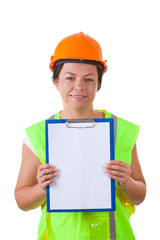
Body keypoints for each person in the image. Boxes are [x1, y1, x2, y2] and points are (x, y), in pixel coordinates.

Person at [15, 32, 146, 240]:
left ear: (98, 83)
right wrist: (42, 188)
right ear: (56, 81)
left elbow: (140, 196)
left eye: (89, 79)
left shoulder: (121, 130)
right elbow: (22, 200)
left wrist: (127, 182)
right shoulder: (37, 135)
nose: (79, 86)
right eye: (69, 78)